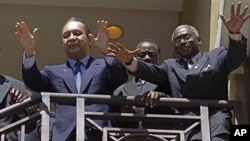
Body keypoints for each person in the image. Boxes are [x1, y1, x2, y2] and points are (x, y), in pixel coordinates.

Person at [107, 1, 249, 141]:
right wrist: (129, 61)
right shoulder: (171, 66)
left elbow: (236, 58)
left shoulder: (216, 56)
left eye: (187, 37)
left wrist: (234, 33)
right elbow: (150, 72)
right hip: (185, 125)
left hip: (215, 120)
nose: (182, 41)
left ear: (199, 40)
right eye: (177, 40)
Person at [15, 17, 128, 141]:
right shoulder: (53, 72)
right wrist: (29, 51)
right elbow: (33, 82)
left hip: (99, 134)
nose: (71, 37)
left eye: (77, 33)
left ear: (90, 40)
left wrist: (105, 50)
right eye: (66, 35)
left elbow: (120, 77)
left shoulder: (104, 65)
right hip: (65, 136)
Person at [112, 39, 174, 129]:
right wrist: (122, 111)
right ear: (134, 58)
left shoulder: (169, 82)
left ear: (159, 57)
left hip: (159, 136)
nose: (147, 57)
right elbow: (111, 119)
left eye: (152, 55)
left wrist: (161, 96)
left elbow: (178, 109)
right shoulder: (122, 89)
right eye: (141, 55)